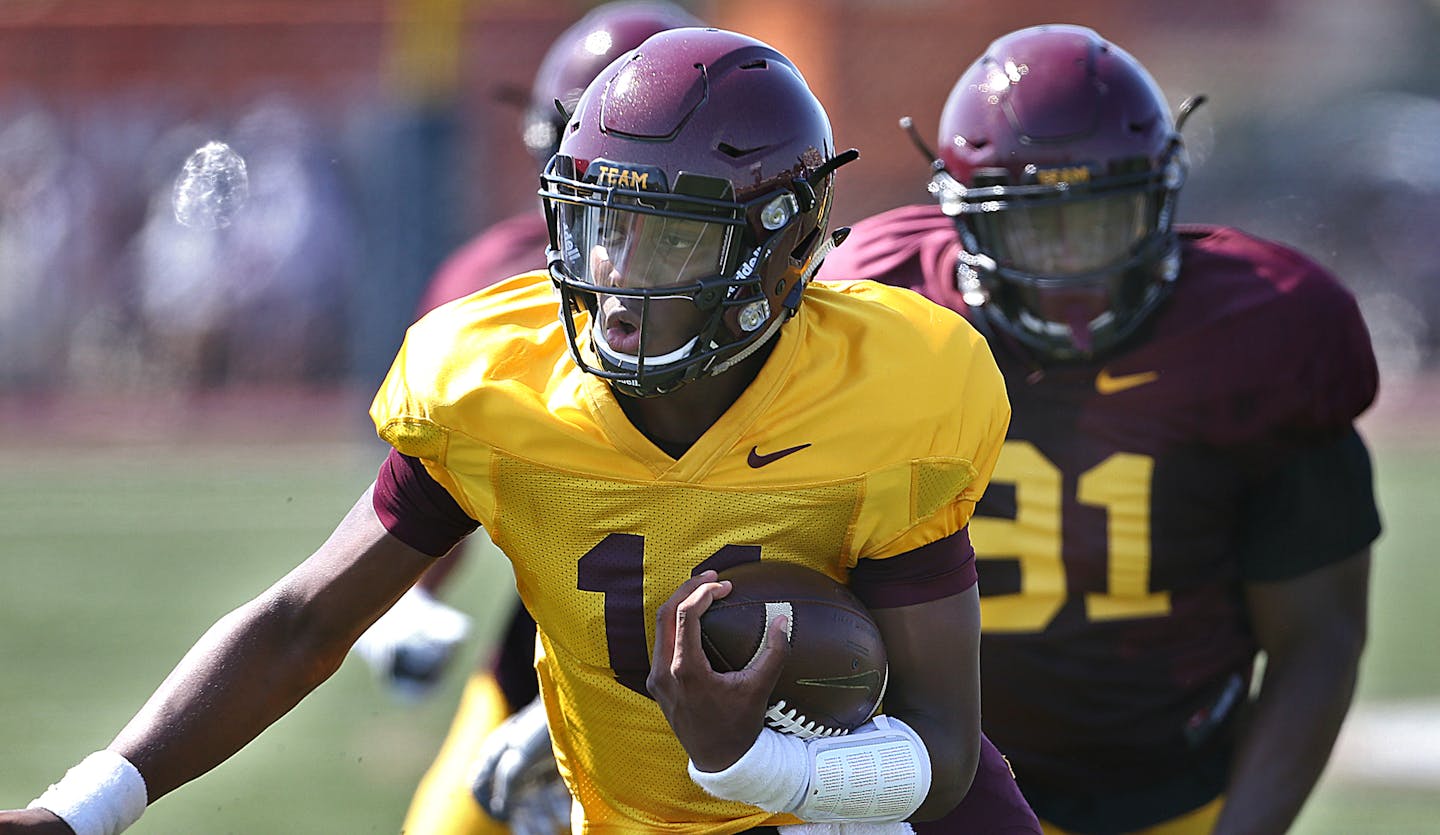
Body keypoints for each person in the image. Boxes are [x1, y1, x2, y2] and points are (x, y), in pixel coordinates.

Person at [3, 28, 1040, 835]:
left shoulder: (893, 385)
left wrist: (752, 764)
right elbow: (301, 624)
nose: (619, 279)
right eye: (602, 224)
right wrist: (83, 806)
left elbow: (943, 749)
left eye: (671, 238)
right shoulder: (499, 382)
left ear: (782, 245)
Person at [815, 23, 1381, 835]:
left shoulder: (1267, 336)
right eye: (1035, 227)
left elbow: (1318, 637)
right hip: (935, 796)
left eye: (1103, 219)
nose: (1072, 268)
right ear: (962, 221)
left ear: (1162, 198)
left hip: (1178, 796)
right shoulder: (883, 317)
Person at [347, 4, 705, 834]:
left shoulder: (797, 293)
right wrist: (410, 596)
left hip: (761, 618)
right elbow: (442, 473)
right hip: (577, 619)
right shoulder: (496, 292)